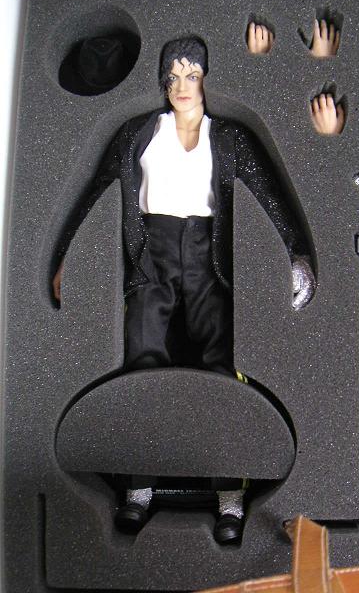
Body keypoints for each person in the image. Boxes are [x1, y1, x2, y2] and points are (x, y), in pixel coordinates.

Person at [53, 34, 316, 544]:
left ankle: (229, 493)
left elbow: (267, 195)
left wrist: (294, 256)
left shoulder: (229, 138)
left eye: (192, 75)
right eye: (173, 77)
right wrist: (70, 255)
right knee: (142, 357)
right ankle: (138, 486)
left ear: (207, 77)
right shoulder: (139, 132)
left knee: (219, 364)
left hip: (208, 254)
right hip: (150, 252)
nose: (182, 86)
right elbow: (98, 192)